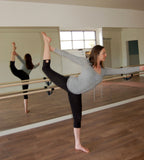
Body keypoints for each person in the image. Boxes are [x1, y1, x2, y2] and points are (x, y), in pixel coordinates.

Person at [41, 32, 144, 153]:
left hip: (75, 93)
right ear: (97, 54)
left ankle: (77, 144)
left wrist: (140, 68)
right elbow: (68, 55)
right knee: (45, 69)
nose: (106, 55)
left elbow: (121, 70)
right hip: (68, 83)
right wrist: (51, 48)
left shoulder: (104, 71)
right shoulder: (85, 63)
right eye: (103, 53)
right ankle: (46, 42)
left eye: (105, 53)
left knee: (77, 118)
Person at [10, 42, 40, 113]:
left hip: (22, 74)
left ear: (25, 58)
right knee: (25, 93)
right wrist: (38, 64)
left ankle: (13, 48)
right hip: (26, 77)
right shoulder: (31, 65)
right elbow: (35, 66)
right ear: (30, 59)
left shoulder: (24, 62)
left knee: (12, 68)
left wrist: (14, 49)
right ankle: (26, 110)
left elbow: (17, 56)